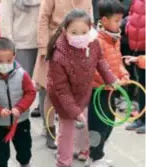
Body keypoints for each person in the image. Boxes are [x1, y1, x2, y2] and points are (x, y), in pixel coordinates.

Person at [46, 9, 120, 167]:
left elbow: (100, 61)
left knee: (86, 125)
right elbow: (61, 90)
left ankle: (87, 153)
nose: (79, 36)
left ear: (90, 29)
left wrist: (110, 79)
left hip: (83, 92)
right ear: (65, 31)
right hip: (63, 99)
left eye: (83, 32)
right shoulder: (58, 55)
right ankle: (63, 162)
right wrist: (74, 111)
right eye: (74, 32)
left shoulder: (93, 43)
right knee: (67, 131)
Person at [34, 0, 94, 151]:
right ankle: (49, 128)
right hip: (54, 44)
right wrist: (43, 47)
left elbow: (90, 21)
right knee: (49, 90)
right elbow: (43, 18)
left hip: (78, 47)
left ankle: (71, 132)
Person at [0, 38, 36, 167]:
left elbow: (30, 92)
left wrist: (20, 107)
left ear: (14, 56)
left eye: (9, 60)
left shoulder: (22, 74)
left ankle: (25, 163)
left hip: (20, 121)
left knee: (24, 149)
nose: (4, 64)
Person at [86, 0, 129, 167]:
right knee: (98, 126)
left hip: (112, 89)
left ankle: (99, 155)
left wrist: (123, 73)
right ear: (104, 20)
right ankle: (94, 158)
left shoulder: (114, 37)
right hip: (99, 90)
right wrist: (111, 79)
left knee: (109, 123)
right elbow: (93, 69)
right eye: (116, 20)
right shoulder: (96, 40)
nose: (120, 24)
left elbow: (117, 60)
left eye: (121, 20)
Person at [0, 0, 41, 117]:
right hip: (21, 45)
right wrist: (8, 48)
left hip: (42, 42)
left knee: (44, 85)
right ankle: (17, 117)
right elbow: (5, 20)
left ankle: (46, 116)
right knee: (18, 86)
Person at [124, 0, 145, 134]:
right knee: (141, 84)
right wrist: (128, 27)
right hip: (137, 47)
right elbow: (131, 13)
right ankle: (141, 118)